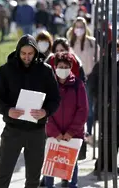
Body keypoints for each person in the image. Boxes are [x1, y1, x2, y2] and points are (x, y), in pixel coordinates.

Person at [0, 34, 61, 188]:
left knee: (33, 179)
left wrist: (46, 111)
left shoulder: (46, 71)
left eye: (30, 54)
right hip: (12, 130)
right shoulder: (6, 70)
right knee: (3, 176)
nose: (27, 57)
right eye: (23, 53)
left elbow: (55, 98)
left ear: (35, 52)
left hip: (36, 131)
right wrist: (7, 110)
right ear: (18, 52)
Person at [43, 52, 88, 188]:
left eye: (66, 66)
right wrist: (54, 131)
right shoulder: (49, 85)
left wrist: (71, 132)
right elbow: (45, 110)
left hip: (73, 135)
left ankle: (71, 185)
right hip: (53, 135)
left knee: (71, 164)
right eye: (60, 66)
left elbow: (83, 110)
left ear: (70, 67)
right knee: (50, 165)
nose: (63, 69)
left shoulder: (78, 85)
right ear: (55, 67)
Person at [88, 41, 119, 173]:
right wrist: (101, 98)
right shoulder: (101, 66)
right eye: (113, 51)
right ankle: (103, 163)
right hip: (106, 108)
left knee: (117, 137)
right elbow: (92, 86)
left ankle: (110, 163)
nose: (116, 54)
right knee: (106, 137)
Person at [68, 17, 99, 144]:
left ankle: (89, 133)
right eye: (77, 27)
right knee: (73, 107)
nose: (79, 29)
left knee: (88, 106)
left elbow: (98, 60)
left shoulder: (92, 42)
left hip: (89, 77)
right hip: (73, 78)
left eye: (81, 27)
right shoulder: (70, 43)